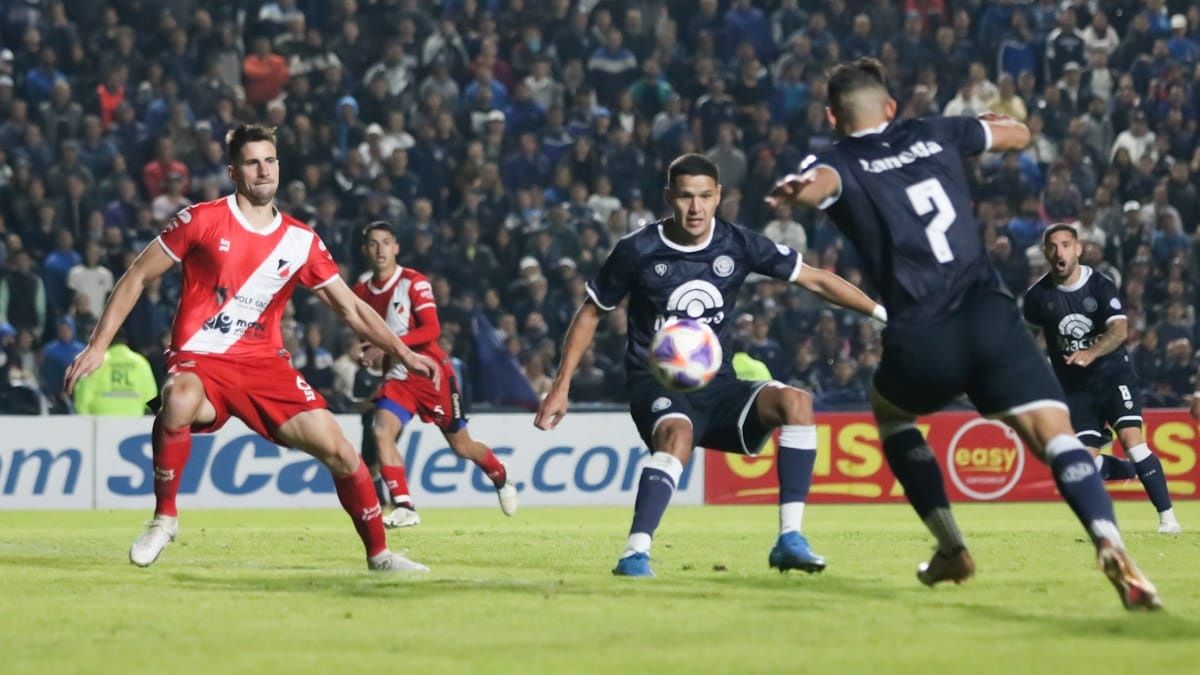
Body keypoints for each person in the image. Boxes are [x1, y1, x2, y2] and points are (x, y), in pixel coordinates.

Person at [767, 58, 1160, 610]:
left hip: (923, 331)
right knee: (1053, 433)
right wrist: (995, 121)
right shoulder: (933, 130)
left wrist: (797, 190)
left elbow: (816, 185)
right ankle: (1109, 540)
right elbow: (1018, 134)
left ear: (833, 116)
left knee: (891, 411)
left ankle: (952, 547)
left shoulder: (837, 159)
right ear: (892, 107)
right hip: (989, 315)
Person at [64, 124, 441, 574]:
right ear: (233, 171)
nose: (264, 170)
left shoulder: (301, 240)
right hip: (201, 360)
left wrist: (405, 351)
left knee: (343, 453)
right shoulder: (201, 219)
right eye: (252, 162)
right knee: (178, 399)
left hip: (265, 367)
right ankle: (165, 518)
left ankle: (380, 555)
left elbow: (352, 309)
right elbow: (137, 276)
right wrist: (97, 346)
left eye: (270, 160)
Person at [535, 153, 886, 578]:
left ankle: (790, 540)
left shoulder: (738, 243)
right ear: (669, 197)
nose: (695, 208)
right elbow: (592, 312)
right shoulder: (637, 250)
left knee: (796, 403)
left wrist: (884, 315)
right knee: (677, 433)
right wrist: (561, 385)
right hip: (657, 384)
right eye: (685, 197)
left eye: (704, 196)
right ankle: (634, 553)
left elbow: (814, 278)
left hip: (719, 386)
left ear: (719, 196)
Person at [352, 221, 517, 528]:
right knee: (381, 431)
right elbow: (365, 336)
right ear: (365, 250)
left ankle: (500, 475)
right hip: (398, 378)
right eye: (373, 243)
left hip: (432, 375)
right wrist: (365, 352)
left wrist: (385, 347)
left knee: (462, 447)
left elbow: (432, 330)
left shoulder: (414, 282)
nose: (380, 249)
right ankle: (404, 504)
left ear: (396, 247)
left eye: (386, 242)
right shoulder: (360, 292)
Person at [1024, 224, 1180, 534]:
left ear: (1078, 249)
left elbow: (1120, 330)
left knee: (1132, 441)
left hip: (1112, 375)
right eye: (1053, 247)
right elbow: (1027, 337)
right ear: (1045, 253)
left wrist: (1091, 353)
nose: (1060, 252)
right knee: (1081, 465)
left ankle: (1168, 519)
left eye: (1066, 245)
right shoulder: (1037, 297)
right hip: (1075, 387)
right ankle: (1133, 471)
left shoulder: (1099, 285)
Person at [72, 328, 157, 416]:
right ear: (125, 341)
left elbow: (82, 396)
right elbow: (151, 397)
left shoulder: (96, 362)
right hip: (133, 422)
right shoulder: (141, 363)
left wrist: (85, 421)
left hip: (101, 423)